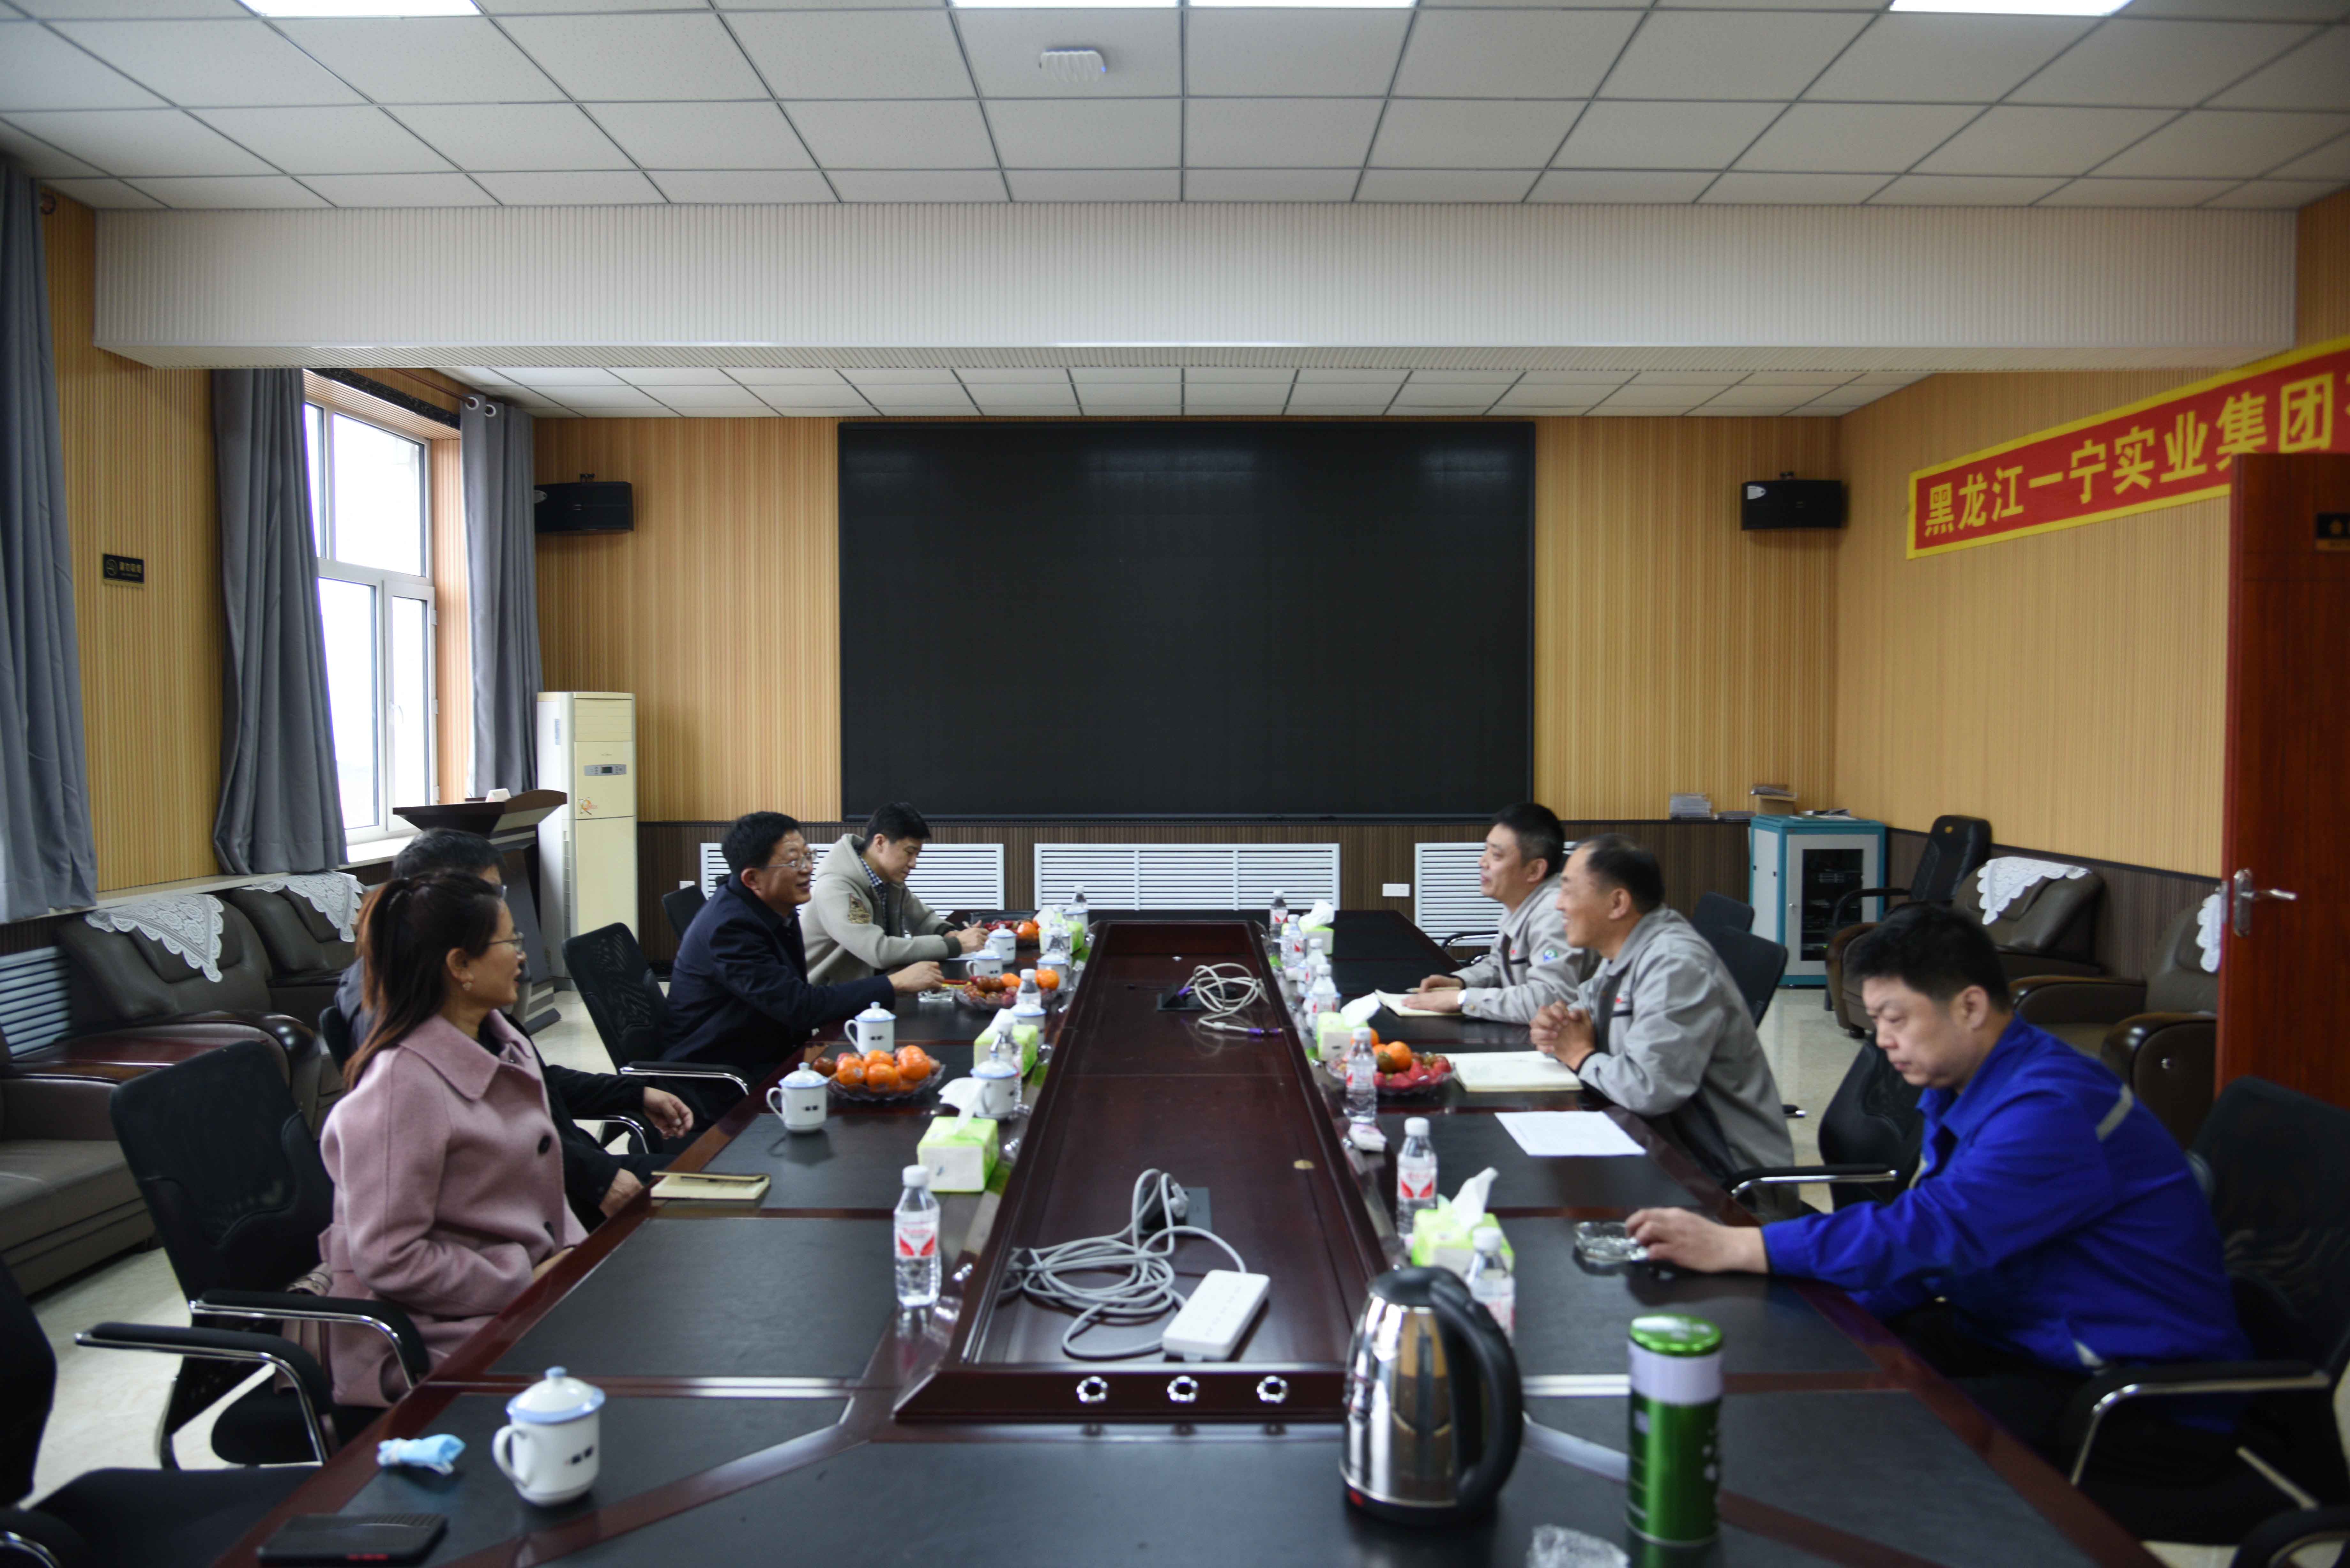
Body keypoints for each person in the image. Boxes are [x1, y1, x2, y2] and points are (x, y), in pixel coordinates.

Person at [1625, 904, 2252, 1488]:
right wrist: (1835, 1314)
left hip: (2132, 1388)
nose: (1882, 1039)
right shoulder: (1966, 1083)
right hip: (2016, 1326)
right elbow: (1930, 1251)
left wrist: (1746, 1245)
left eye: (1895, 1018)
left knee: (1876, 1441)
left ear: (1970, 1005)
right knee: (1815, 1357)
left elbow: (1933, 1232)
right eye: (1876, 1021)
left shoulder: (2051, 1105)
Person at [331, 830, 695, 1230]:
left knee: (722, 1173)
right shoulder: (396, 1021)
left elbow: (530, 1082)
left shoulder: (458, 998)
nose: (519, 952)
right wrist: (596, 1180)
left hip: (566, 1176)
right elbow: (490, 1137)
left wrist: (633, 1092)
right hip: (543, 1198)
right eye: (488, 893)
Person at [317, 874, 585, 1405]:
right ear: (461, 965)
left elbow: (544, 1195)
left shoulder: (504, 1046)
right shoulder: (401, 1087)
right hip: (433, 1333)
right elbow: (390, 1259)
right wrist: (524, 1281)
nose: (522, 956)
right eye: (510, 941)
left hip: (513, 1299)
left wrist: (577, 1257)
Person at [1527, 835, 1795, 1210]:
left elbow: (1650, 1088)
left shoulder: (1674, 964)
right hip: (1662, 1151)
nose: (1558, 903)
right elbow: (1584, 1012)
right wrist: (1556, 1024)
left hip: (1726, 1188)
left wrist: (1579, 1055)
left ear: (1617, 903)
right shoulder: (1625, 948)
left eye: (1569, 891)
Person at [664, 811, 942, 1092]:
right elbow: (799, 1007)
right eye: (793, 861)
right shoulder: (731, 929)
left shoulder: (773, 907)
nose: (808, 868)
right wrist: (893, 984)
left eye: (808, 856)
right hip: (724, 1079)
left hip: (774, 1051)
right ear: (752, 879)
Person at [1404, 803, 1595, 1021]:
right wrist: (1461, 982)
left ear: (1535, 870)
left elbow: (1551, 1000)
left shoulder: (1554, 913)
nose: (1482, 862)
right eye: (1486, 850)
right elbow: (1499, 966)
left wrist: (1463, 1000)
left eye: (1496, 855)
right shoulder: (1522, 902)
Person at [803, 801, 988, 984]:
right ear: (880, 842)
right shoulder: (836, 889)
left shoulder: (889, 881)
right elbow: (878, 951)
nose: (914, 864)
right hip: (829, 997)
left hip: (874, 987)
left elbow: (922, 921)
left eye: (917, 855)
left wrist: (949, 933)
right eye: (909, 852)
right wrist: (956, 945)